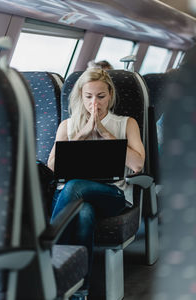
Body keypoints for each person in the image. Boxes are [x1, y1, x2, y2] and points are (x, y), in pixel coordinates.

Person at [47, 68, 145, 300]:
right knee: (84, 213)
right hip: (74, 199)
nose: (94, 103)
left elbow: (138, 165)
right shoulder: (67, 127)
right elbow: (52, 167)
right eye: (88, 96)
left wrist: (104, 132)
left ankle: (46, 261)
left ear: (109, 95)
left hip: (111, 195)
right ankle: (81, 289)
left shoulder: (126, 124)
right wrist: (80, 136)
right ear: (81, 96)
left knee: (74, 187)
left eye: (100, 96)